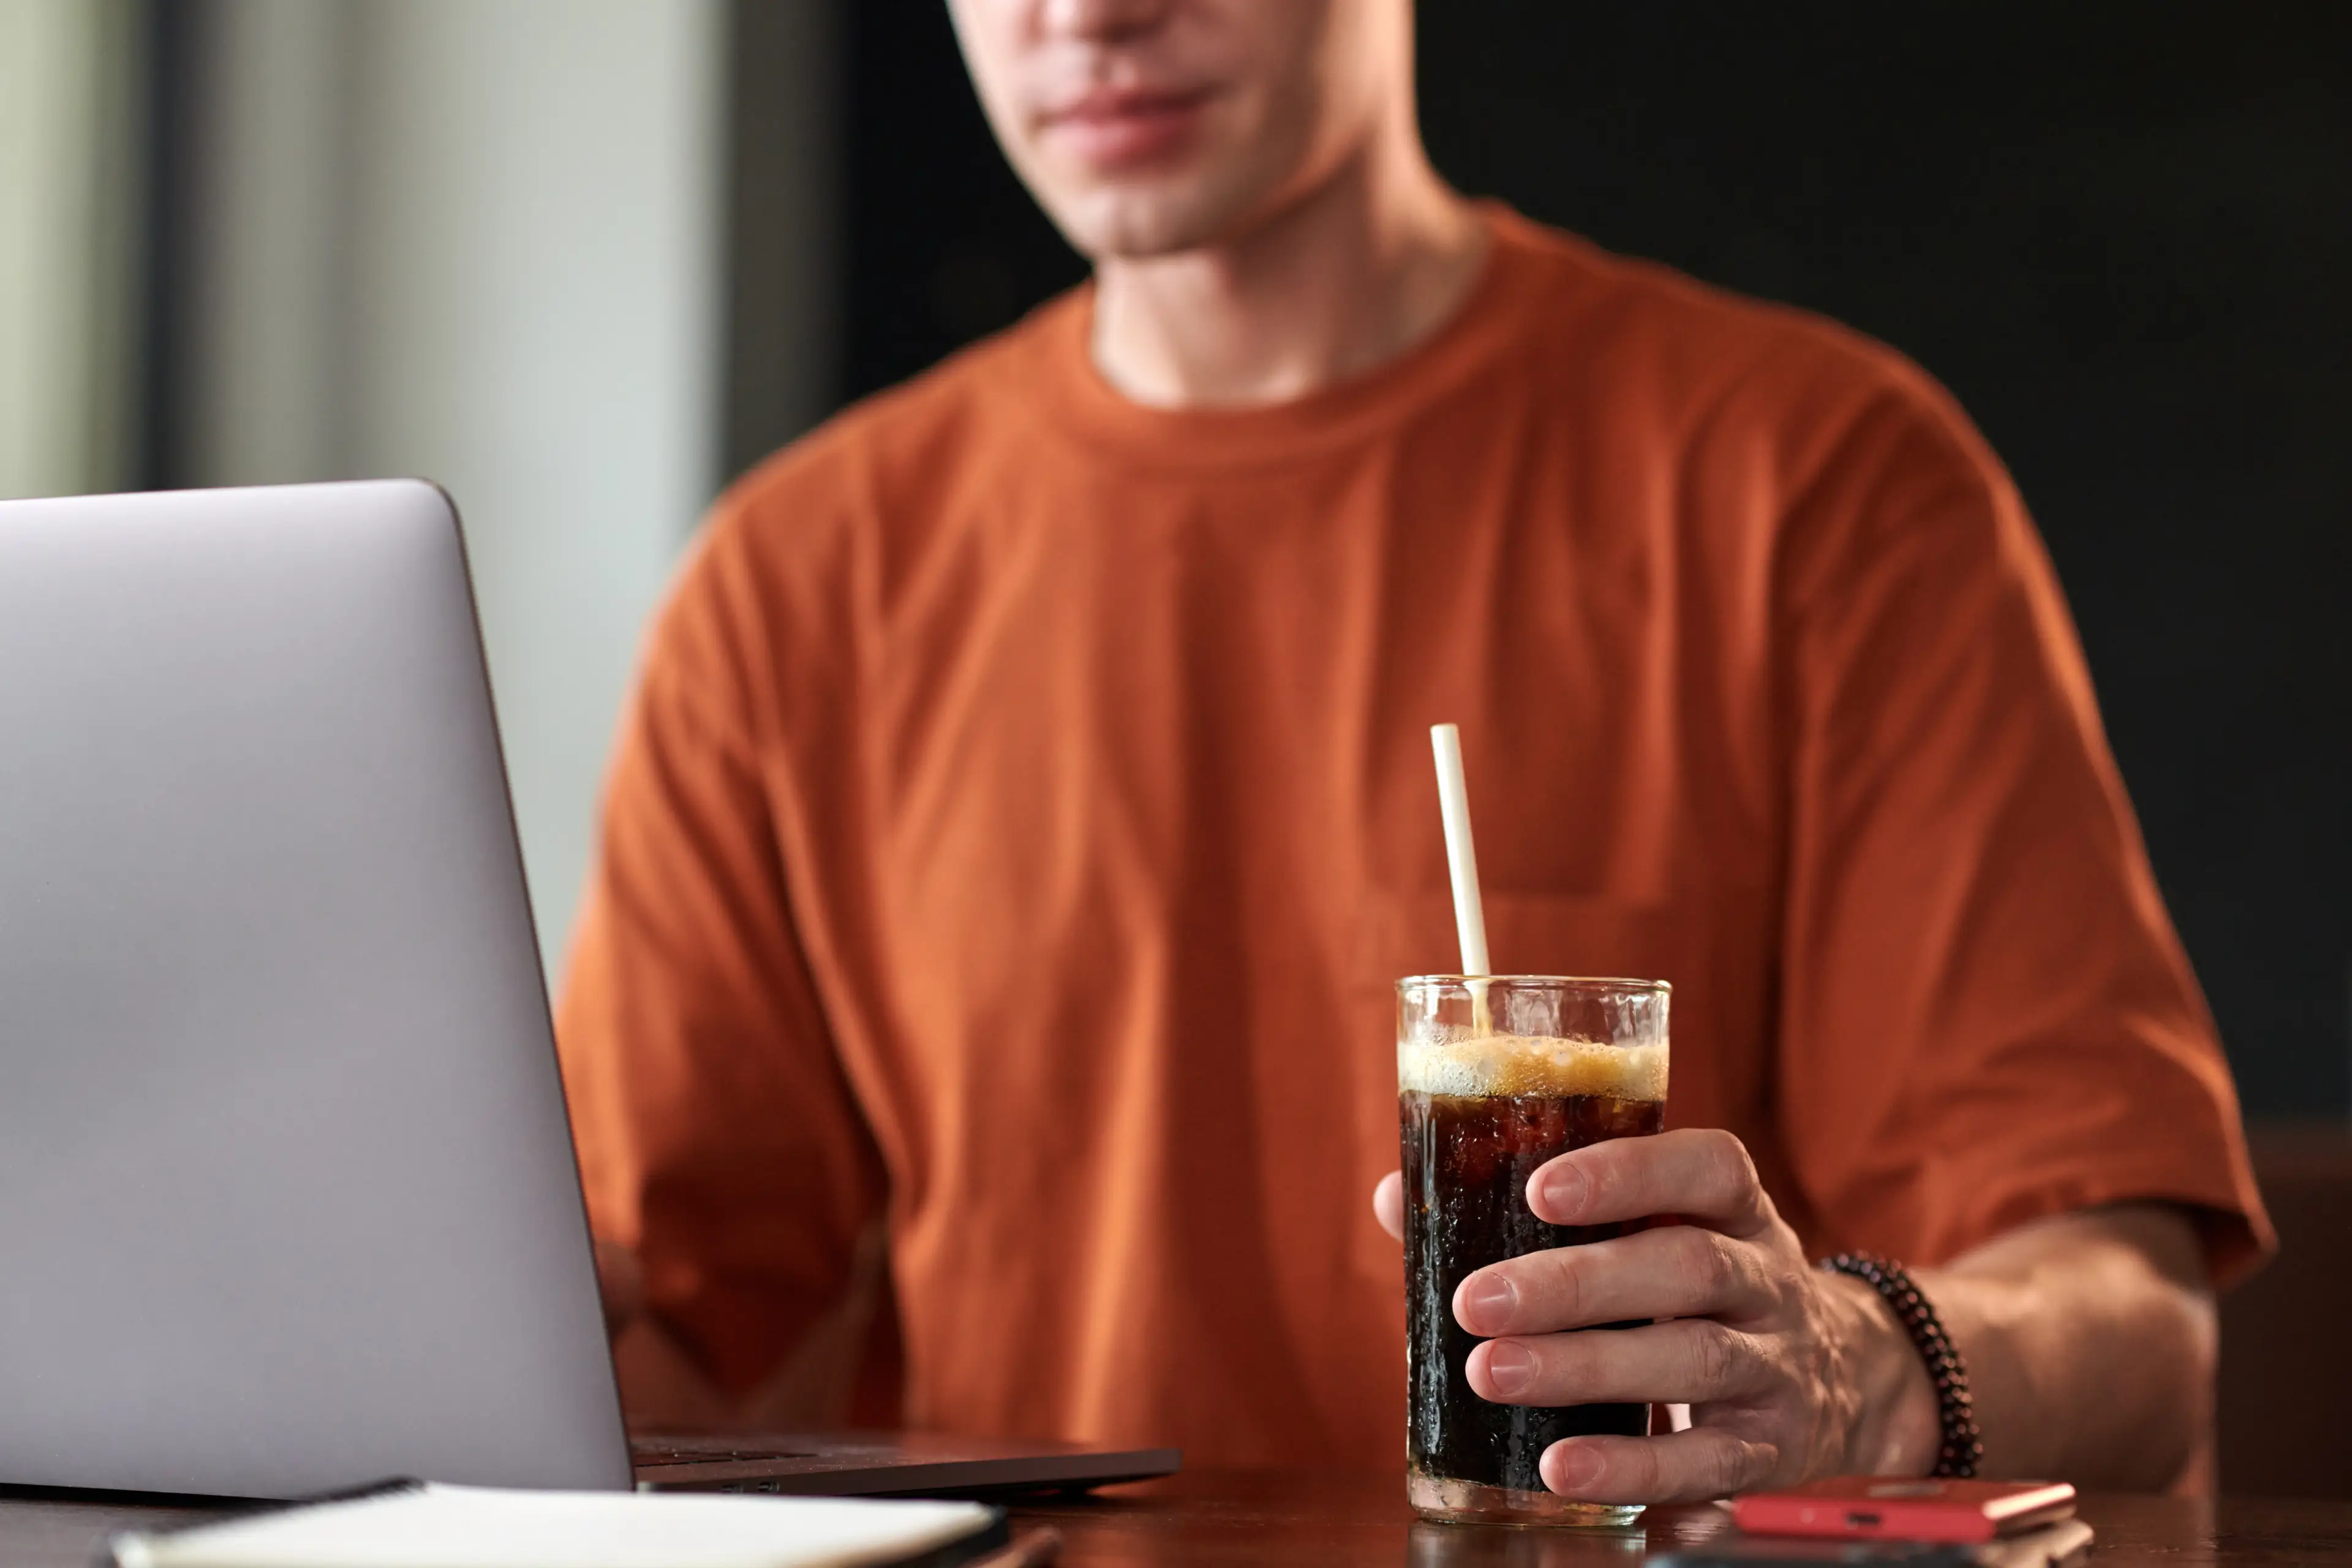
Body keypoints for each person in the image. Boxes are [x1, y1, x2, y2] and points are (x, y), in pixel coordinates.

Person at [557, 0, 2269, 1503]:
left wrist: (1852, 1364)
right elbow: (663, 1350)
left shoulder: (1818, 489)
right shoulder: (789, 586)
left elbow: (2130, 1317)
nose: (1087, 11)